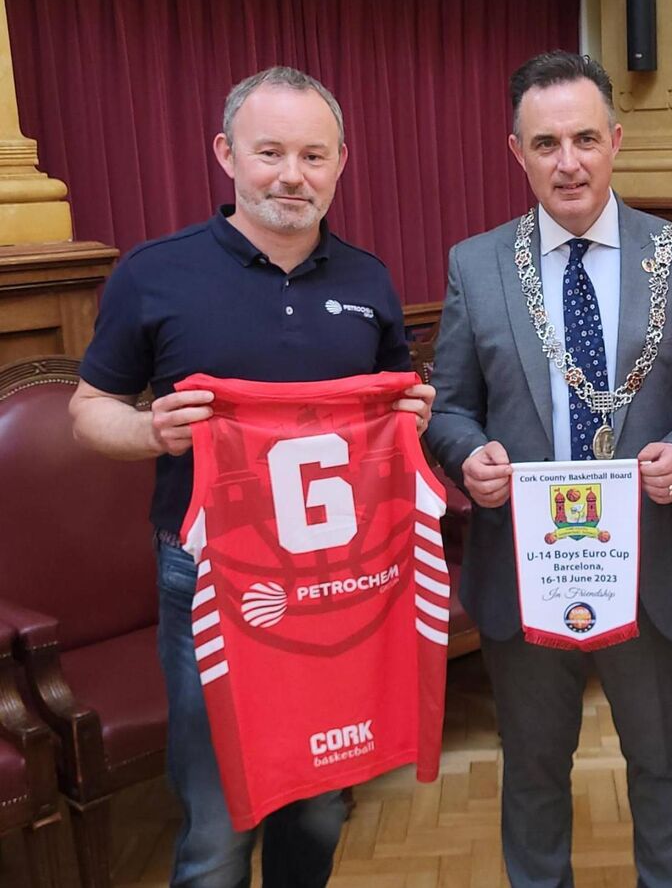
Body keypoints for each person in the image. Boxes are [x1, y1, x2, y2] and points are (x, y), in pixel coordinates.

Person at [69, 66, 434, 888]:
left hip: (341, 578)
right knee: (218, 819)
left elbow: (394, 413)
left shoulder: (369, 280)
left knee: (321, 800)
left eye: (313, 154)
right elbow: (89, 407)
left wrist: (412, 418)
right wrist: (150, 430)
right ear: (225, 155)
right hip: (208, 574)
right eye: (269, 152)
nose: (291, 175)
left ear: (342, 161)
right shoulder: (154, 273)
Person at [424, 50, 672, 887]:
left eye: (583, 139)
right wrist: (470, 457)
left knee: (664, 766)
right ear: (516, 152)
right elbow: (450, 409)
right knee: (534, 773)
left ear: (616, 139)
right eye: (545, 145)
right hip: (527, 568)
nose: (567, 163)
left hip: (651, 561)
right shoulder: (477, 264)